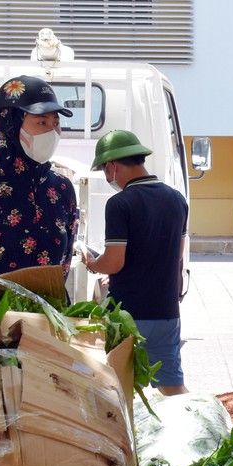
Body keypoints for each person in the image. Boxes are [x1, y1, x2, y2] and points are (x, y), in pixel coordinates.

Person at [82, 130, 189, 395]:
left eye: (106, 171)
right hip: (166, 311)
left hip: (128, 315)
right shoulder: (177, 199)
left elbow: (114, 262)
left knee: (120, 389)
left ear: (112, 166)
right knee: (172, 387)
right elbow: (175, 254)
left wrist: (94, 264)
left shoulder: (120, 204)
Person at [0, 75, 79, 281]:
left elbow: (63, 265)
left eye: (56, 123)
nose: (52, 131)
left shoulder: (62, 188)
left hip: (49, 311)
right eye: (42, 122)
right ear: (11, 125)